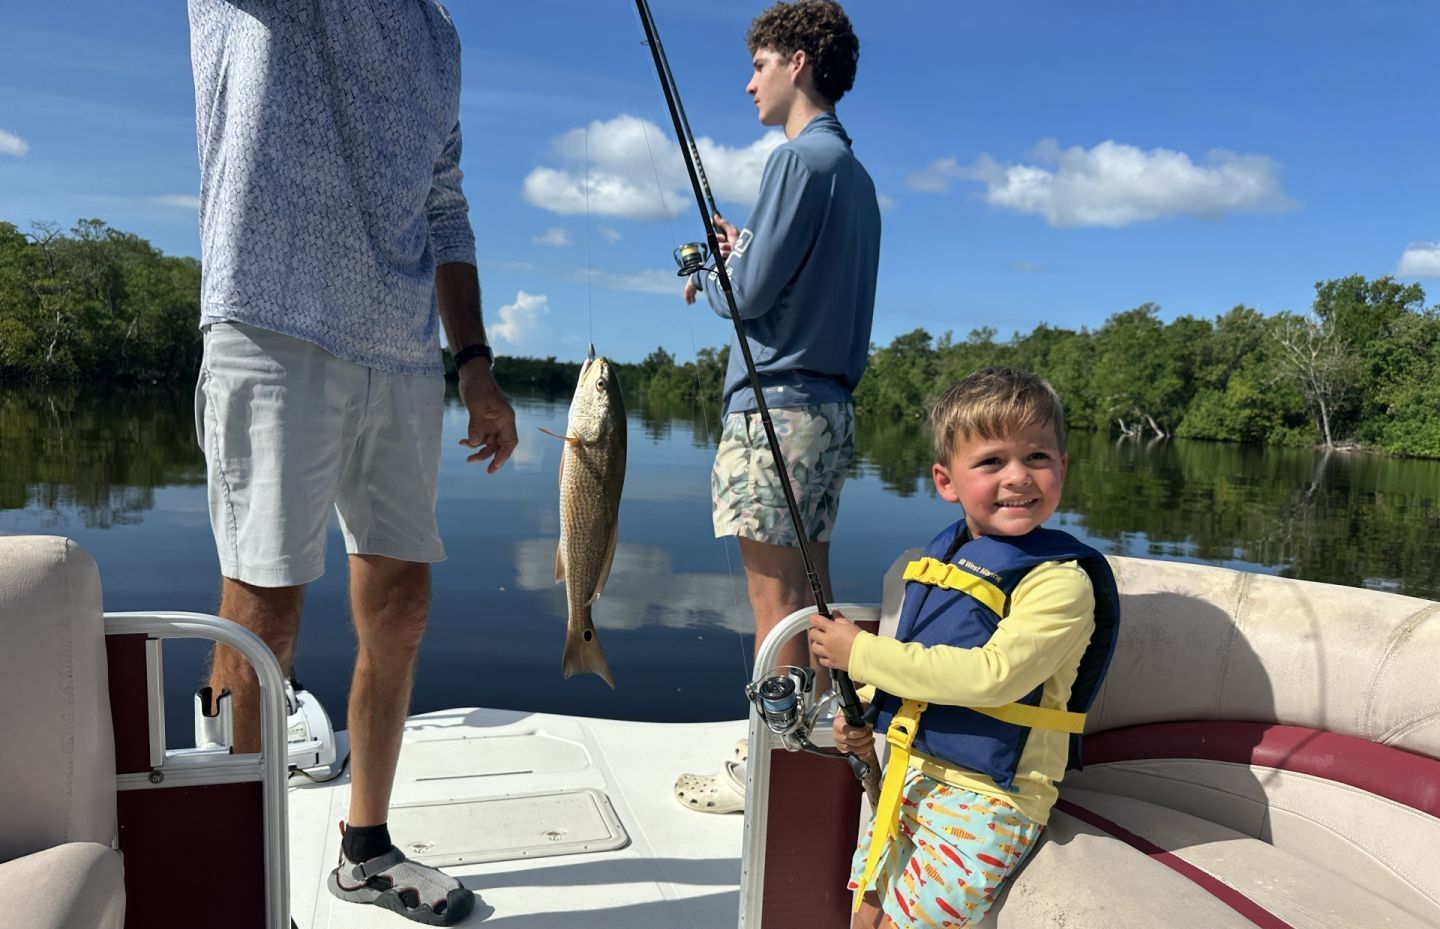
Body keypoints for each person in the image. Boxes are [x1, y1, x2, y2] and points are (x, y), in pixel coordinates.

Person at [186, 1, 517, 923]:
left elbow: (445, 205)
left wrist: (476, 363)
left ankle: (364, 849)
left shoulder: (439, 32)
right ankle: (235, 884)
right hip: (270, 318)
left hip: (405, 350)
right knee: (262, 615)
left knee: (403, 608)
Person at [807, 367, 1121, 929]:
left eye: (1038, 458)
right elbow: (924, 659)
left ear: (1063, 469)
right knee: (867, 910)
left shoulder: (1060, 584)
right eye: (991, 461)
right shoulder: (942, 562)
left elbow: (990, 676)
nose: (1018, 477)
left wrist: (861, 653)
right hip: (912, 771)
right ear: (946, 481)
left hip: (991, 800)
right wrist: (862, 705)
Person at [673, 0, 881, 815]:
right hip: (828, 411)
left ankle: (768, 761)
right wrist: (747, 250)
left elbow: (753, 298)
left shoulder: (796, 163)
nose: (748, 80)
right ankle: (818, 736)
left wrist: (719, 279)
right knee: (814, 592)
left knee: (773, 603)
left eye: (759, 63)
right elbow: (791, 281)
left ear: (798, 62)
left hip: (775, 413)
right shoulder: (854, 177)